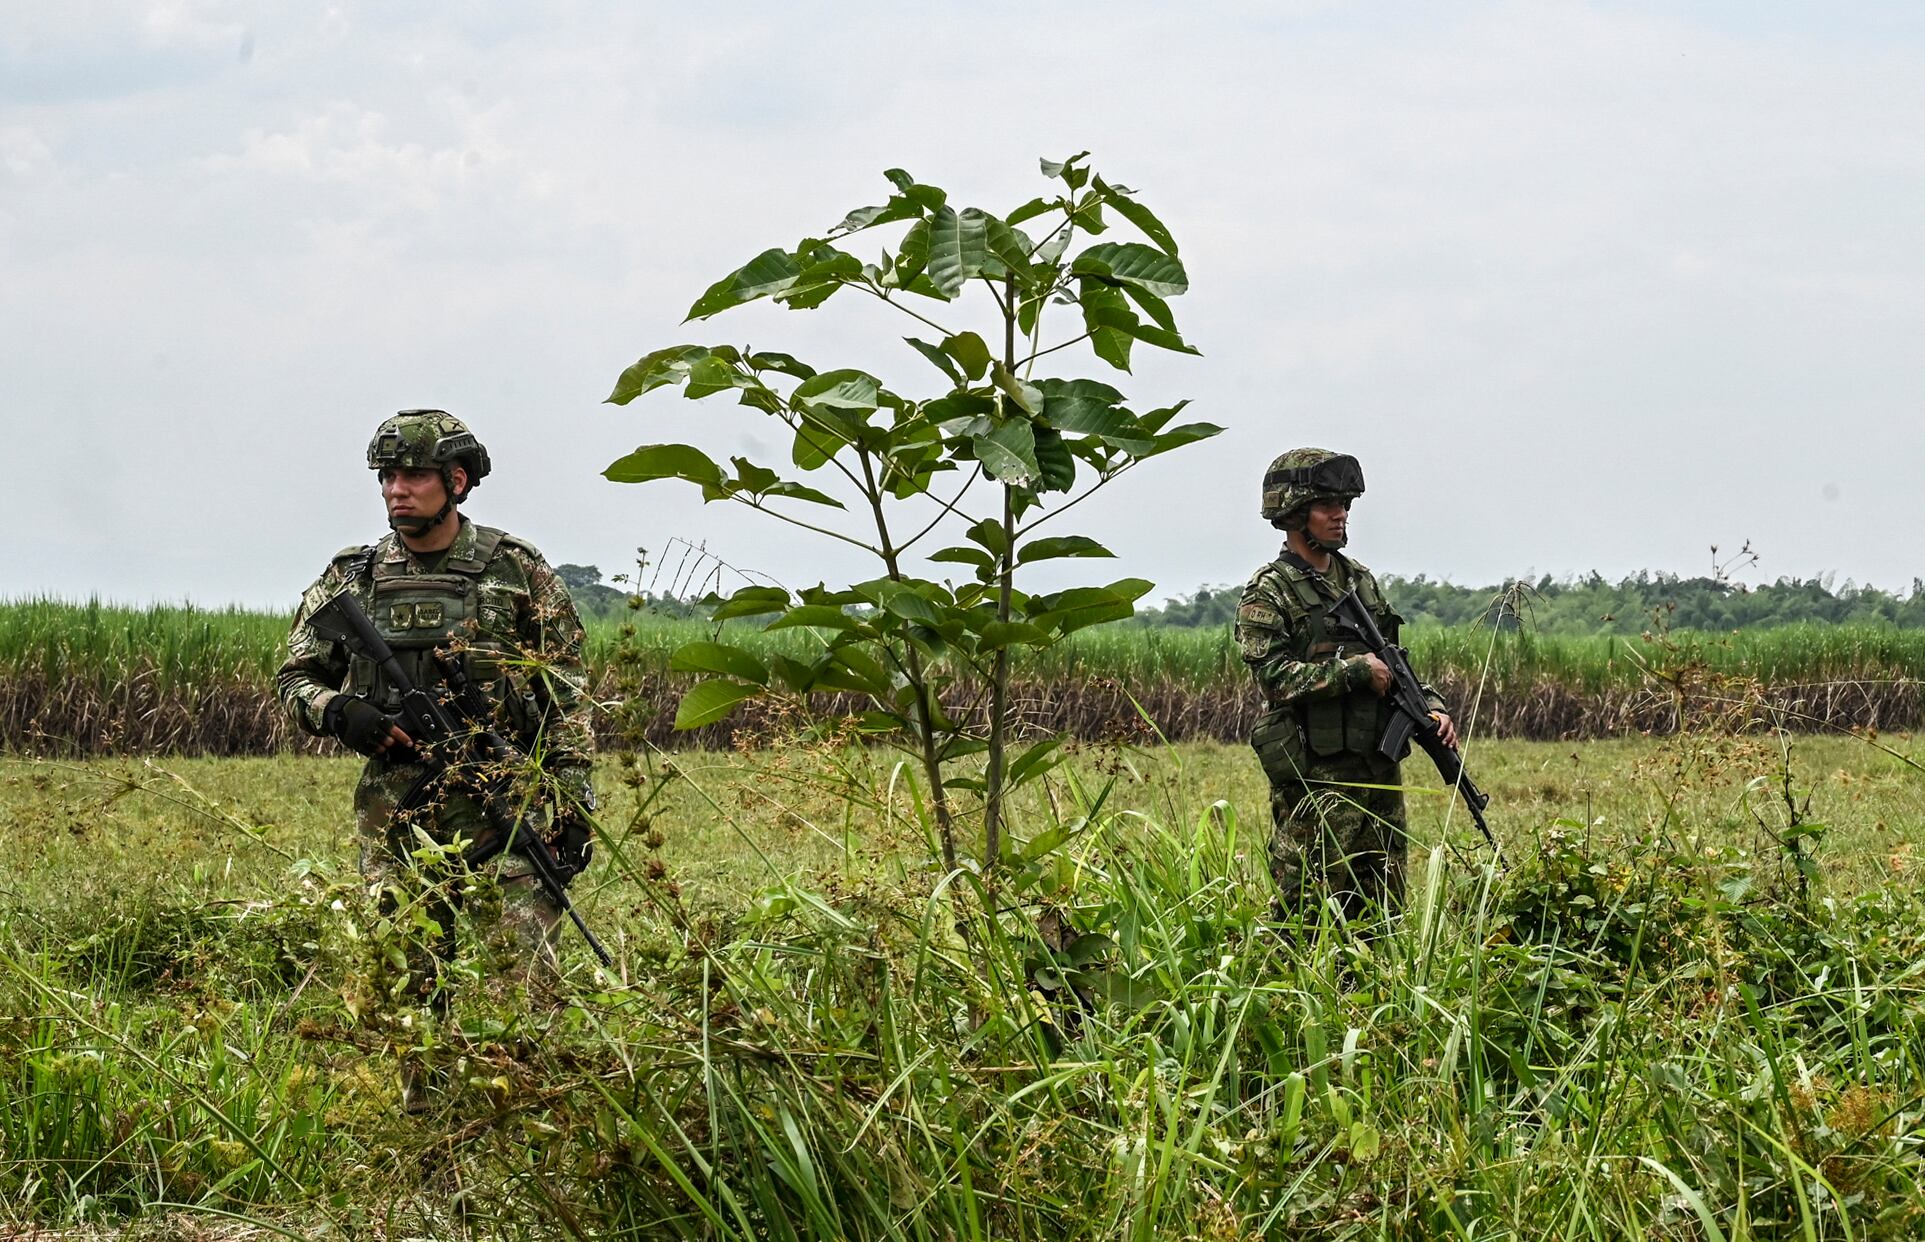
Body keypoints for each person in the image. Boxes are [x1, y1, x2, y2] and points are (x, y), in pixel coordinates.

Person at [276, 410, 595, 1108]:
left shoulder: (516, 570)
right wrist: (341, 712)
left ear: (456, 481)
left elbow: (565, 695)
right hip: (397, 816)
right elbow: (294, 677)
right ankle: (422, 1121)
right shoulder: (351, 577)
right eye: (386, 476)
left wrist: (573, 806)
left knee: (523, 969)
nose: (397, 490)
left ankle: (537, 1114)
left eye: (414, 474)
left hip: (501, 805)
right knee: (406, 973)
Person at [1235, 448, 1456, 927]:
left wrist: (1433, 708)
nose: (1341, 515)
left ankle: (1377, 995)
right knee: (1307, 907)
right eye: (1327, 505)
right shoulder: (1270, 591)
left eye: (1346, 505)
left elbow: (1396, 662)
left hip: (1376, 768)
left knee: (1384, 905)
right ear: (1294, 513)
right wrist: (1353, 672)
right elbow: (1272, 677)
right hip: (1318, 777)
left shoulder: (1360, 581)